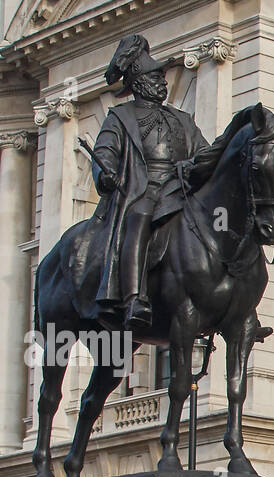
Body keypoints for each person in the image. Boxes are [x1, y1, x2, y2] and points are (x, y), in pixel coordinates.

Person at [86, 34, 218, 329]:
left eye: (162, 76)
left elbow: (204, 152)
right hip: (142, 188)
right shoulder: (120, 117)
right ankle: (134, 297)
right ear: (139, 81)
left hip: (181, 187)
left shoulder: (183, 119)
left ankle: (236, 303)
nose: (163, 81)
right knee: (141, 217)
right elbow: (104, 151)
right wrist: (105, 172)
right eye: (156, 76)